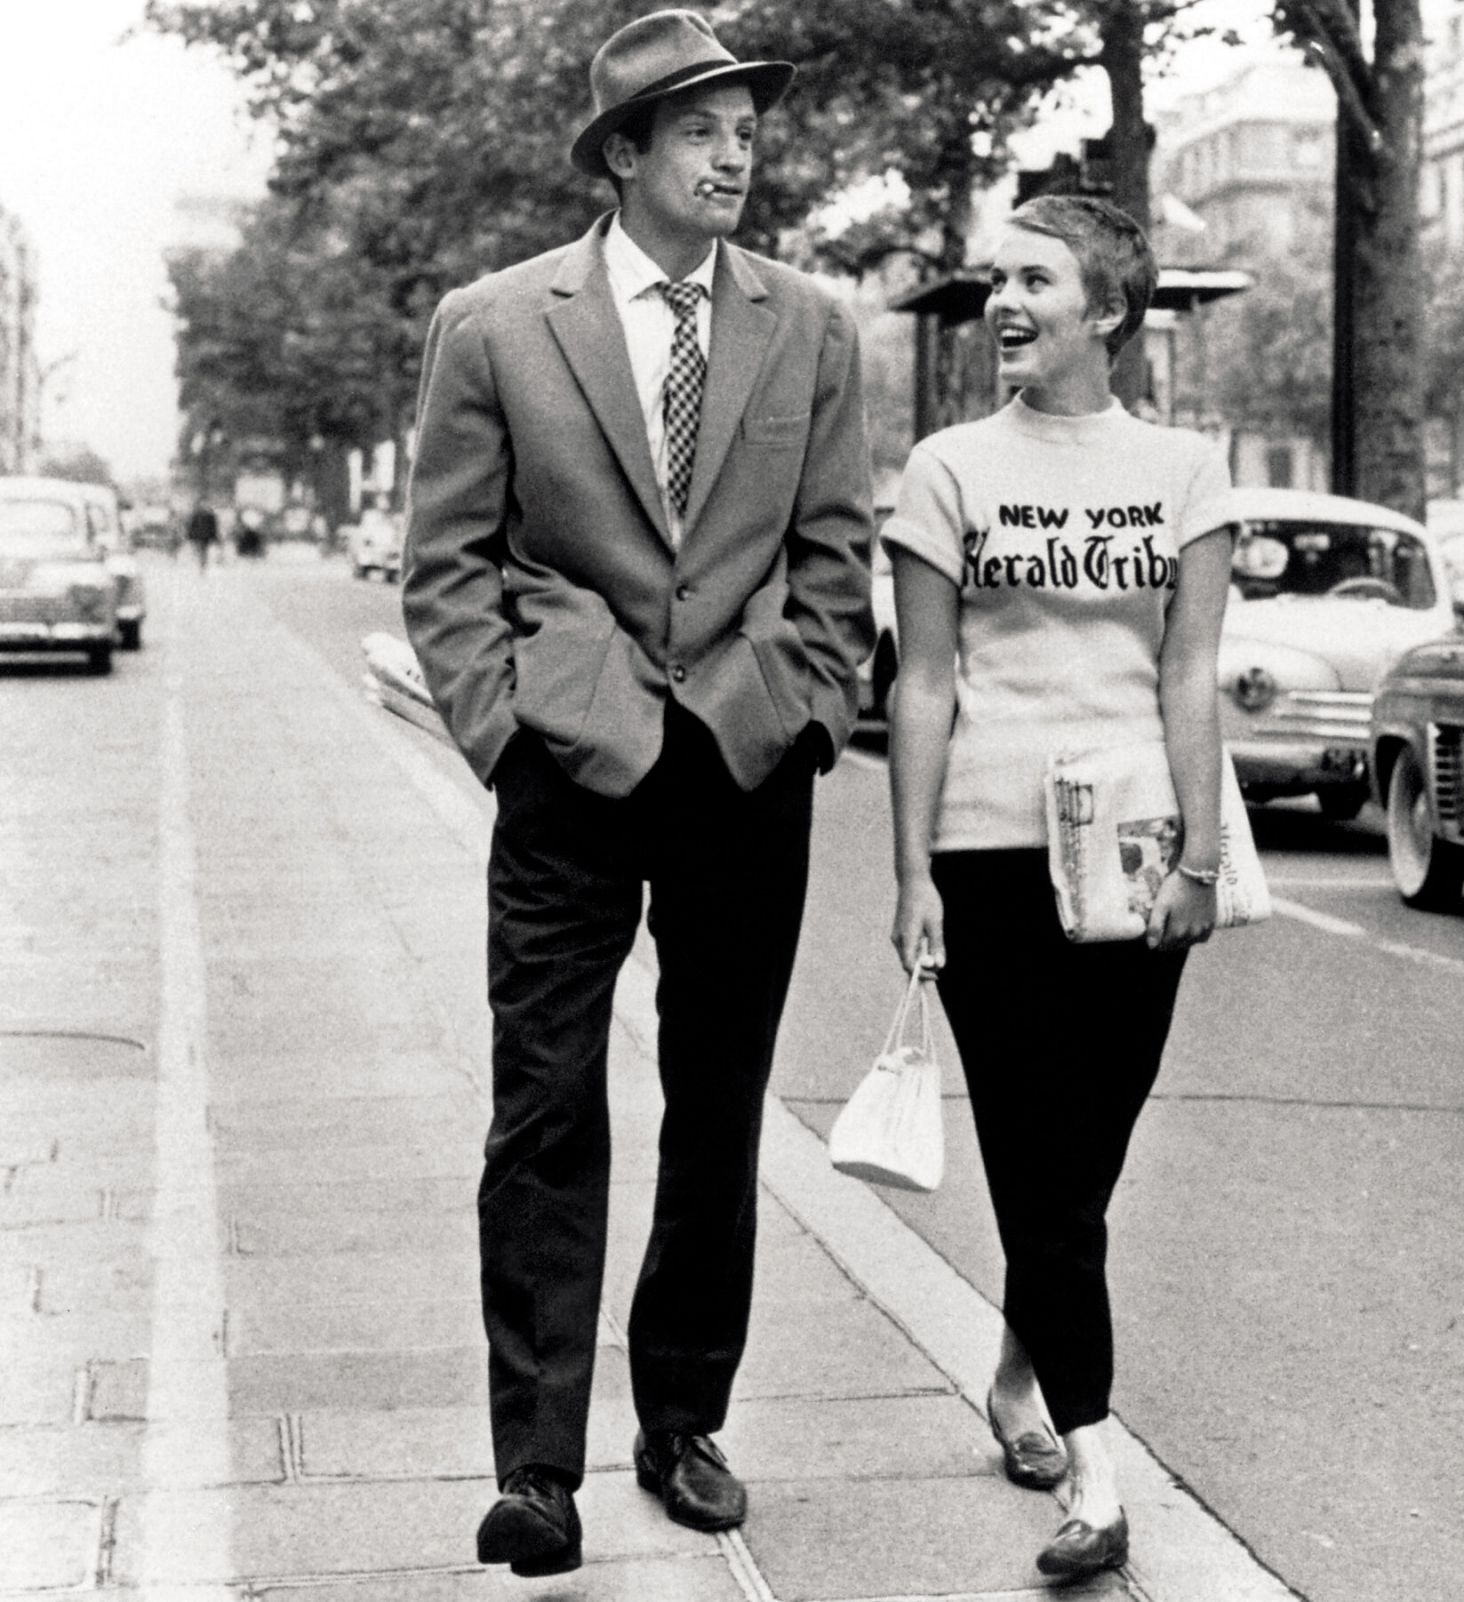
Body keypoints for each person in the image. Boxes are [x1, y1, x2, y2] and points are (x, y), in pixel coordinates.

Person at [401, 8, 874, 1580]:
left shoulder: (812, 327)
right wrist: (505, 732)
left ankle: (683, 1421)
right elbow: (447, 562)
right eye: (700, 131)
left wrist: (798, 712)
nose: (736, 156)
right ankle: (537, 1468)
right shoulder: (494, 325)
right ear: (622, 154)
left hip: (744, 764)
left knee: (719, 1108)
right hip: (570, 763)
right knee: (542, 1107)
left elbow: (836, 556)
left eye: (746, 131)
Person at [884, 194, 1234, 1585]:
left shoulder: (1185, 469)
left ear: (1109, 310)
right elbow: (921, 683)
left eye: (1035, 280)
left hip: (1136, 857)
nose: (1004, 304)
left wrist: (1202, 859)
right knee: (1038, 1156)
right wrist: (910, 870)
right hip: (986, 854)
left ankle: (1019, 1377)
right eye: (996, 280)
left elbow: (1187, 671)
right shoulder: (947, 468)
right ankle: (1096, 1471)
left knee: (1083, 1162)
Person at [185, 502, 220, 570]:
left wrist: (190, 535)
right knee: (202, 550)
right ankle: (201, 562)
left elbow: (213, 527)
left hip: (203, 536)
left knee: (202, 550)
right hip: (201, 536)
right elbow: (192, 526)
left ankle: (202, 563)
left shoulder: (205, 515)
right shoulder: (200, 515)